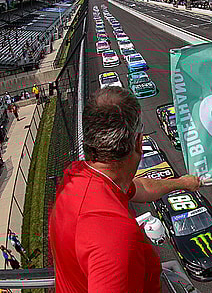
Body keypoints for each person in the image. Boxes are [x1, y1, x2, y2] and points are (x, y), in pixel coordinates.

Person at [49, 87, 201, 293]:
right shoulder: (113, 236)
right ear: (139, 143)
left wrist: (181, 183)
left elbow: (138, 187)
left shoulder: (79, 176)